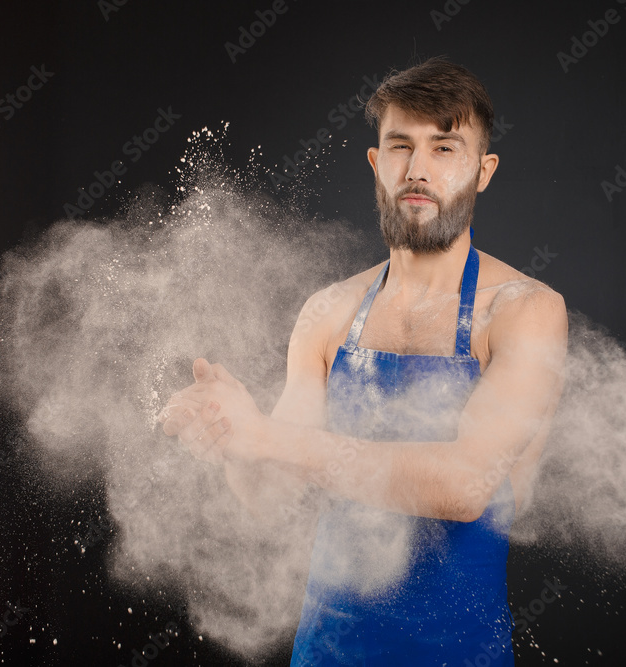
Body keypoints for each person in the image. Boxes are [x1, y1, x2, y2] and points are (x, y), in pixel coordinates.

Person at [157, 58, 567, 666]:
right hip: (326, 652)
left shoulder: (522, 311)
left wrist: (268, 437)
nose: (419, 169)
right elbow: (268, 496)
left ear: (483, 172)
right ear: (377, 164)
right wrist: (230, 435)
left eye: (445, 148)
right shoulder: (327, 312)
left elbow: (464, 487)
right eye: (401, 146)